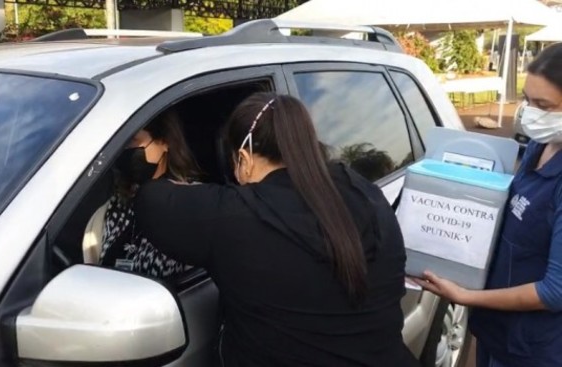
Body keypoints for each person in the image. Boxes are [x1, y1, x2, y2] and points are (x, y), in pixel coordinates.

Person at [134, 92, 419, 366]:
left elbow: (151, 201)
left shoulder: (234, 216)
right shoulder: (369, 195)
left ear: (243, 160)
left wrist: (189, 187)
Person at [414, 43, 562, 367]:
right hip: (496, 332)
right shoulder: (540, 145)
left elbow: (554, 291)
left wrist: (464, 296)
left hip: (534, 350)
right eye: (526, 98)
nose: (529, 113)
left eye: (543, 105)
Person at [96, 109, 200, 279]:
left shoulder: (189, 204)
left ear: (165, 142)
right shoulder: (120, 201)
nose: (125, 150)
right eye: (121, 143)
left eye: (134, 141)